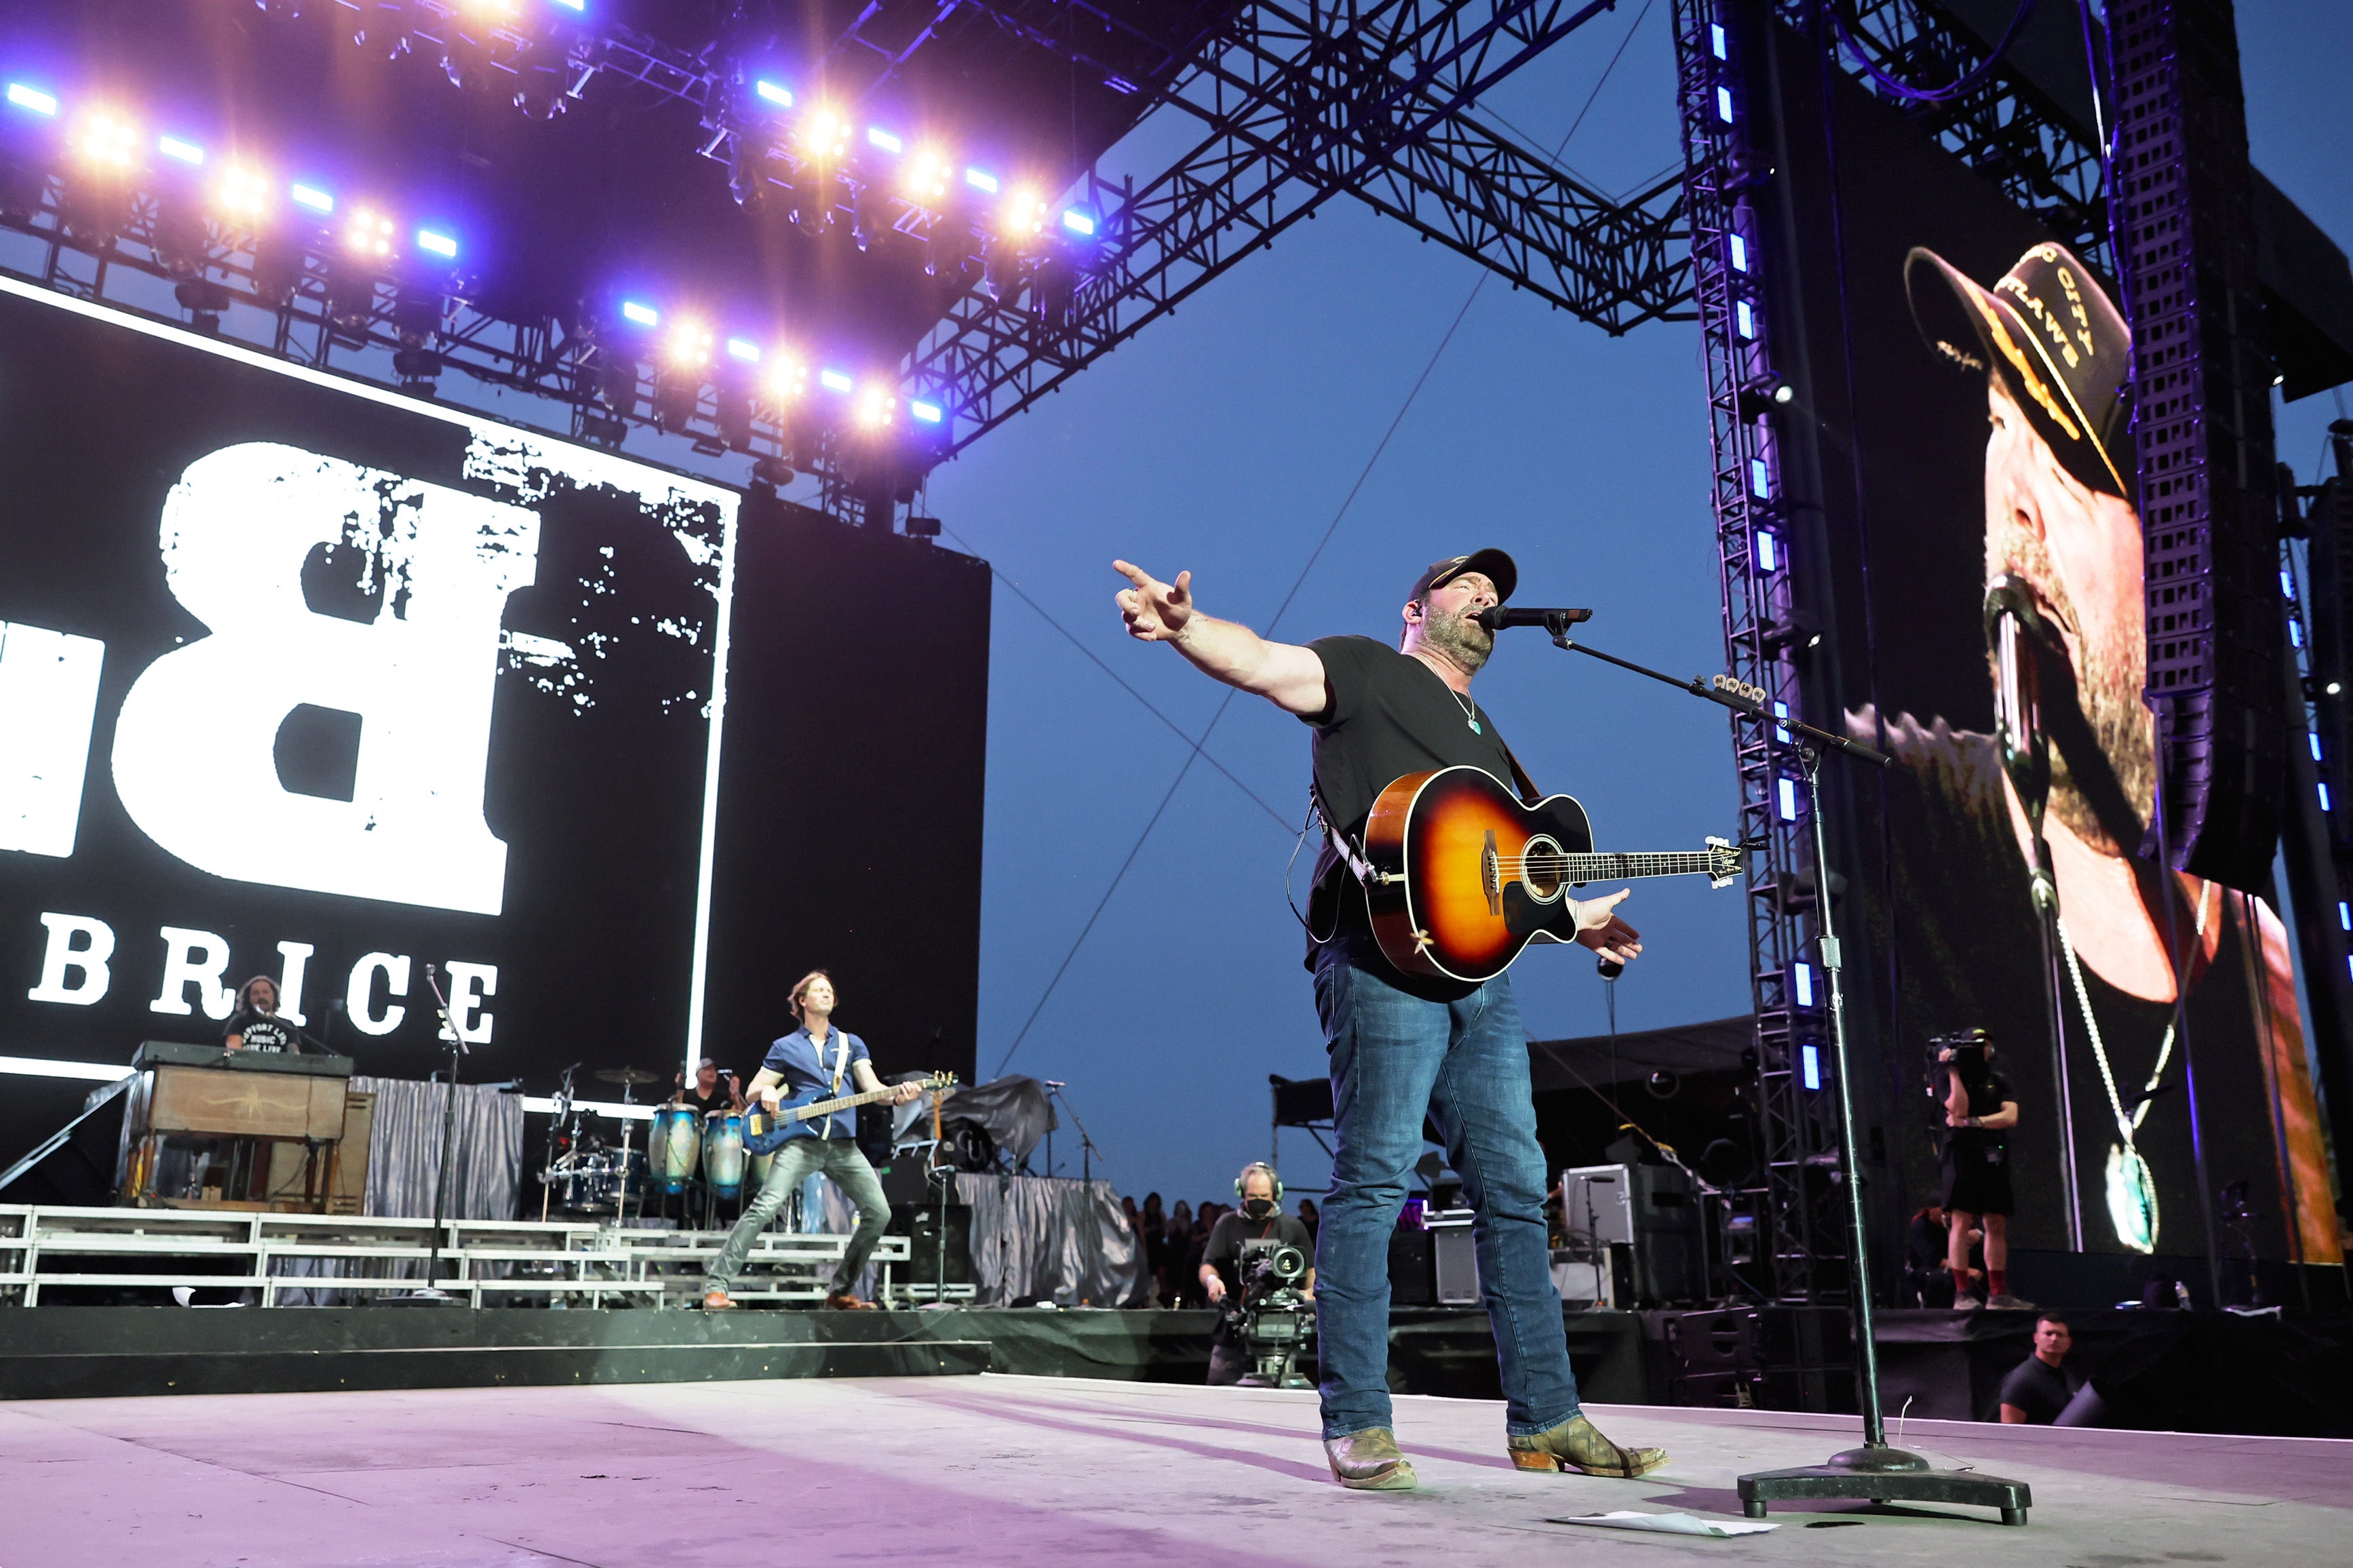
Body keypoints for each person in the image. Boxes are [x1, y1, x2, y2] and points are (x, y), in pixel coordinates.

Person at [1114, 548, 1665, 1490]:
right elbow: (1263, 661)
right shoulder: (1367, 668)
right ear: (1418, 608)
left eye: (1498, 597)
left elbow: (1500, 883)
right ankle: (1360, 1422)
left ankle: (1548, 1419)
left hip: (1480, 984)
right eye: (1469, 588)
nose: (1490, 601)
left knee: (1513, 1192)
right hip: (1379, 961)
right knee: (1373, 1179)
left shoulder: (1488, 740)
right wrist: (1185, 631)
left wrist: (1579, 924)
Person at [1852, 242, 2339, 1264]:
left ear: (2170, 548)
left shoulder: (2267, 978)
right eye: (1997, 426)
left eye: (2067, 461)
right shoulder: (1895, 802)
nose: (2013, 497)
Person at [701, 971, 920, 1312]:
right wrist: (769, 1091)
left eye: (830, 990)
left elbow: (873, 1089)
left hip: (844, 1146)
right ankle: (716, 1287)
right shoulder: (785, 1047)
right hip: (801, 1143)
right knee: (765, 1207)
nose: (826, 994)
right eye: (818, 990)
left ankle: (841, 1291)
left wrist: (896, 1097)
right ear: (802, 1000)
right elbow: (755, 1089)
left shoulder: (851, 1043)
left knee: (879, 1212)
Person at [1202, 1163, 1317, 1386]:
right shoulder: (1227, 1224)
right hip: (1235, 1331)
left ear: (1277, 1193)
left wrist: (1311, 1292)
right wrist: (1212, 1281)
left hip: (1287, 1331)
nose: (1259, 1200)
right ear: (1241, 1193)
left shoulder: (1293, 1227)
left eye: (1264, 1195)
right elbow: (1208, 1264)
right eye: (1252, 1195)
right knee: (1218, 1401)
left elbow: (1311, 1267)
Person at [1941, 1034, 2029, 1310]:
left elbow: (2010, 1117)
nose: (1984, 1050)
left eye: (1987, 1045)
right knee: (1961, 1221)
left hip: (1994, 1155)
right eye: (1977, 1045)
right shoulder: (1947, 1077)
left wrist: (1972, 1122)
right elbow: (1958, 1107)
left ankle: (1998, 1293)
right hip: (1962, 1155)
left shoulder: (1999, 1080)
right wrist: (1953, 1071)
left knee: (1996, 1223)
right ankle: (1962, 1292)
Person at [1998, 1314, 2091, 1424]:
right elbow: (2009, 1433)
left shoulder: (2069, 1377)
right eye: (2049, 1333)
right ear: (2036, 1338)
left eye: (2060, 1335)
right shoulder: (2021, 1380)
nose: (2054, 1339)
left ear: (2068, 1343)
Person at [224, 976, 300, 1053]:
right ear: (248, 998)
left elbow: (294, 1057)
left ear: (274, 996)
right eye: (255, 993)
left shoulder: (288, 1025)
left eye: (265, 992)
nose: (261, 996)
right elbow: (234, 1053)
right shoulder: (239, 1022)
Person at [669, 1058, 743, 1118]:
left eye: (715, 1070)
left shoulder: (722, 1097)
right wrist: (680, 1088)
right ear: (698, 1074)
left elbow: (737, 1115)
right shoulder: (687, 1095)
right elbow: (677, 1112)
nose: (712, 1072)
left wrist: (735, 1095)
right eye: (707, 1069)